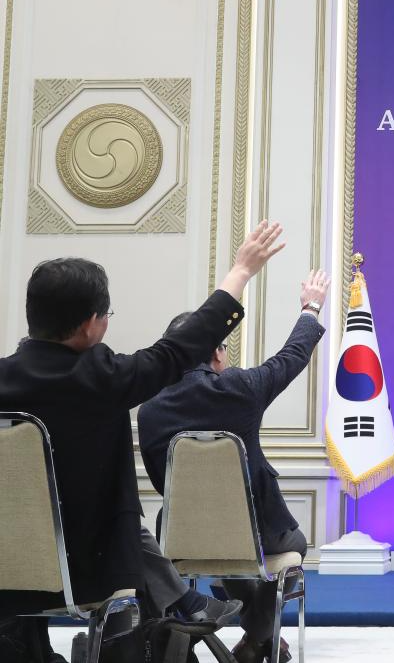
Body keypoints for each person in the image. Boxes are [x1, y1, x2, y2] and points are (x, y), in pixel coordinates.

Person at [0, 222, 285, 640]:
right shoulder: (103, 378)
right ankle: (178, 612)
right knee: (124, 527)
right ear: (90, 324)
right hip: (88, 571)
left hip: (6, 565)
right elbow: (177, 350)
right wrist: (240, 272)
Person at [137, 269, 330, 663]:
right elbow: (291, 357)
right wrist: (310, 308)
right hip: (258, 533)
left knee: (226, 552)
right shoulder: (240, 388)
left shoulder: (150, 408)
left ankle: (253, 635)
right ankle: (259, 637)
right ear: (216, 352)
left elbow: (160, 481)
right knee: (291, 546)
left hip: (181, 537)